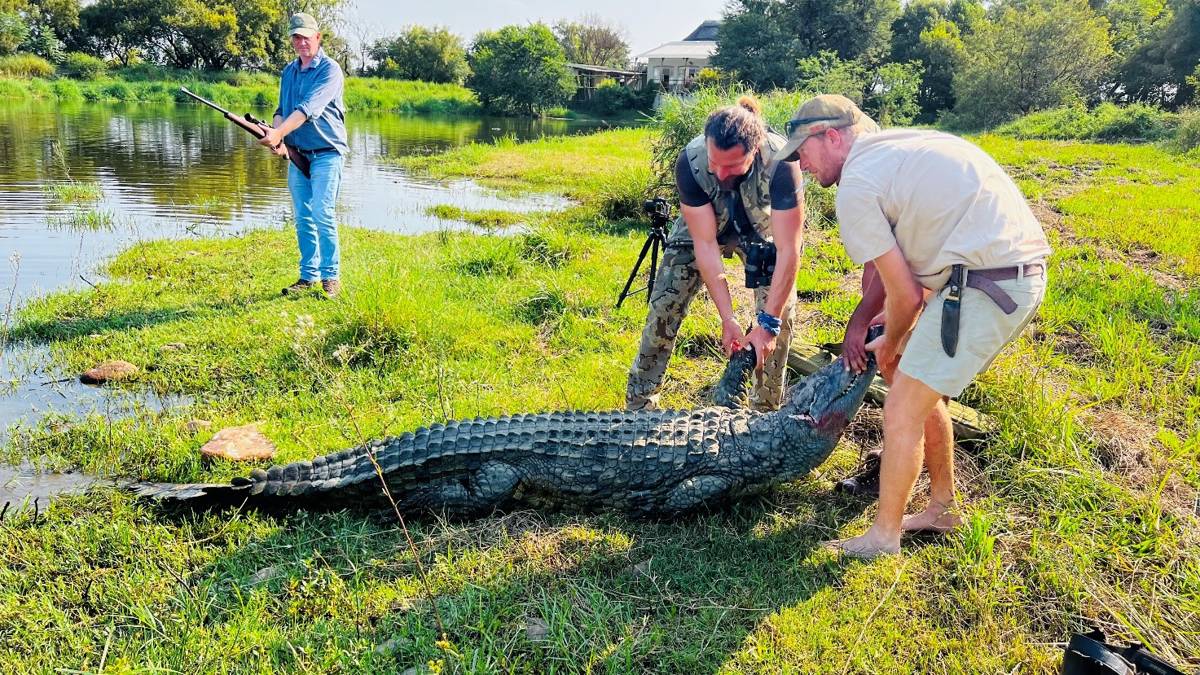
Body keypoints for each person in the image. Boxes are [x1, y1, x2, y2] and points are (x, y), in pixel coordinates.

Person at [775, 94, 1051, 558]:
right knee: (917, 385)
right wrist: (876, 323)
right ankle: (942, 506)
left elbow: (903, 294)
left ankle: (883, 538)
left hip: (986, 284)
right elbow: (900, 276)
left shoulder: (857, 185)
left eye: (803, 149)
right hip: (995, 274)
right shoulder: (895, 150)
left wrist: (892, 340)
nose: (799, 162)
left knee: (901, 406)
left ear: (833, 137)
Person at [626, 97, 805, 411]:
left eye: (733, 166)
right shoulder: (691, 161)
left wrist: (768, 324)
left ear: (756, 148)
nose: (721, 174)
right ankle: (639, 406)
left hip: (762, 235)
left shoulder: (782, 163)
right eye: (715, 163)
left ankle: (763, 416)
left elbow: (789, 250)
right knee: (664, 305)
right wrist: (728, 319)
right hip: (705, 229)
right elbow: (706, 246)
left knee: (779, 318)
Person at [260, 12, 348, 298]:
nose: (301, 42)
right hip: (298, 153)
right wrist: (276, 136)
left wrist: (279, 133)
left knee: (323, 212)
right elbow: (282, 110)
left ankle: (330, 276)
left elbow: (307, 110)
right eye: (296, 37)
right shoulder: (288, 71)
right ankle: (308, 276)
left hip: (327, 152)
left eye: (306, 37)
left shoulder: (330, 70)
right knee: (302, 216)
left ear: (318, 38)